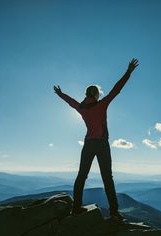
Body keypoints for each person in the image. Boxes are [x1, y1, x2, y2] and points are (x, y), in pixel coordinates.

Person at [53, 58, 139, 220]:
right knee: (107, 178)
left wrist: (60, 94)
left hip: (88, 144)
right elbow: (116, 89)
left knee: (81, 176)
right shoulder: (101, 105)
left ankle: (76, 208)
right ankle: (114, 212)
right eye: (98, 93)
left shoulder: (81, 107)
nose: (100, 95)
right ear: (94, 93)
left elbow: (70, 102)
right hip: (101, 144)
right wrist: (128, 72)